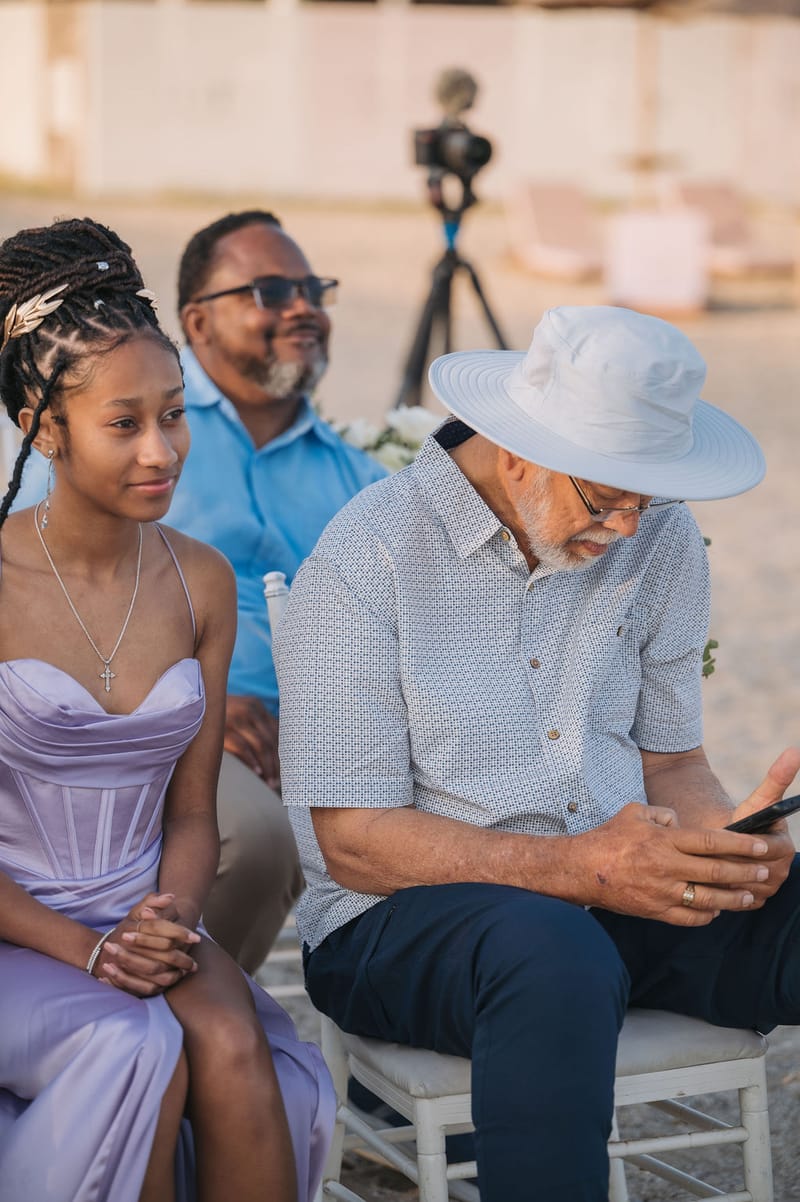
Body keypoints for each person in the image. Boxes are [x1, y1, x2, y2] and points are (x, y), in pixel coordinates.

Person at [275, 304, 800, 1202]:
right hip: (396, 919)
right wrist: (579, 870)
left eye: (651, 494)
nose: (632, 526)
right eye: (609, 496)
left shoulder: (661, 539)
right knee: (550, 951)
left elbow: (672, 763)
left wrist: (730, 845)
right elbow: (351, 841)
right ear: (518, 450)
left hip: (610, 894)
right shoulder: (370, 553)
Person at [0, 217, 334, 1202]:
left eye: (176, 415)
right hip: (19, 930)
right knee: (136, 1042)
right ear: (41, 423)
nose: (162, 451)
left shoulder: (201, 582)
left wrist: (170, 914)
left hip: (144, 907)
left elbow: (192, 810)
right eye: (123, 423)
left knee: (236, 1043)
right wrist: (87, 947)